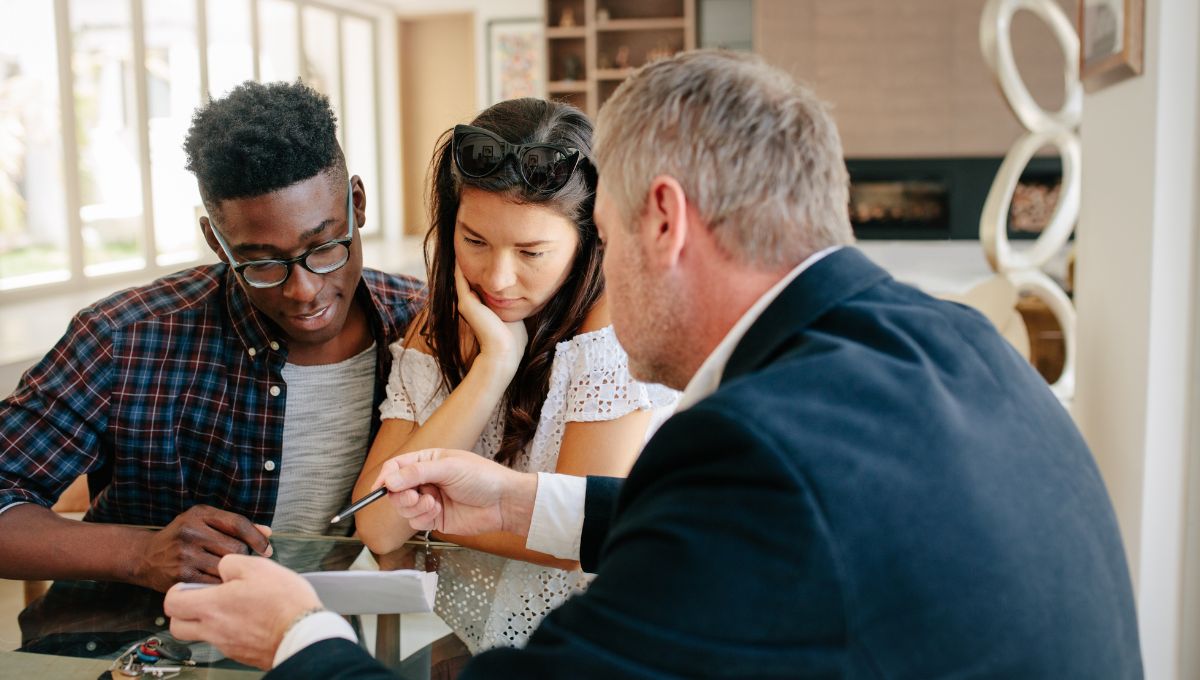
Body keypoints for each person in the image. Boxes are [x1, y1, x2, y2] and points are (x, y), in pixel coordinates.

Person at [164, 51, 1143, 678]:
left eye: (604, 232)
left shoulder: (765, 442)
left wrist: (298, 634)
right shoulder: (943, 342)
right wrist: (511, 502)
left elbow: (754, 504)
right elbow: (749, 525)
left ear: (663, 221)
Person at [0, 81, 423, 593]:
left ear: (356, 204)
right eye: (261, 263)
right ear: (216, 243)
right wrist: (137, 553)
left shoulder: (424, 327)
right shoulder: (125, 338)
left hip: (341, 649)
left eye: (324, 246)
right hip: (149, 649)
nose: (305, 290)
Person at [352, 98, 677, 662]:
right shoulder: (443, 322)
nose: (497, 278)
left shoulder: (614, 331)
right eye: (474, 241)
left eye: (532, 252)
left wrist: (427, 522)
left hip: (580, 650)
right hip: (453, 639)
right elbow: (377, 526)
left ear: (590, 241)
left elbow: (577, 535)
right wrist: (493, 366)